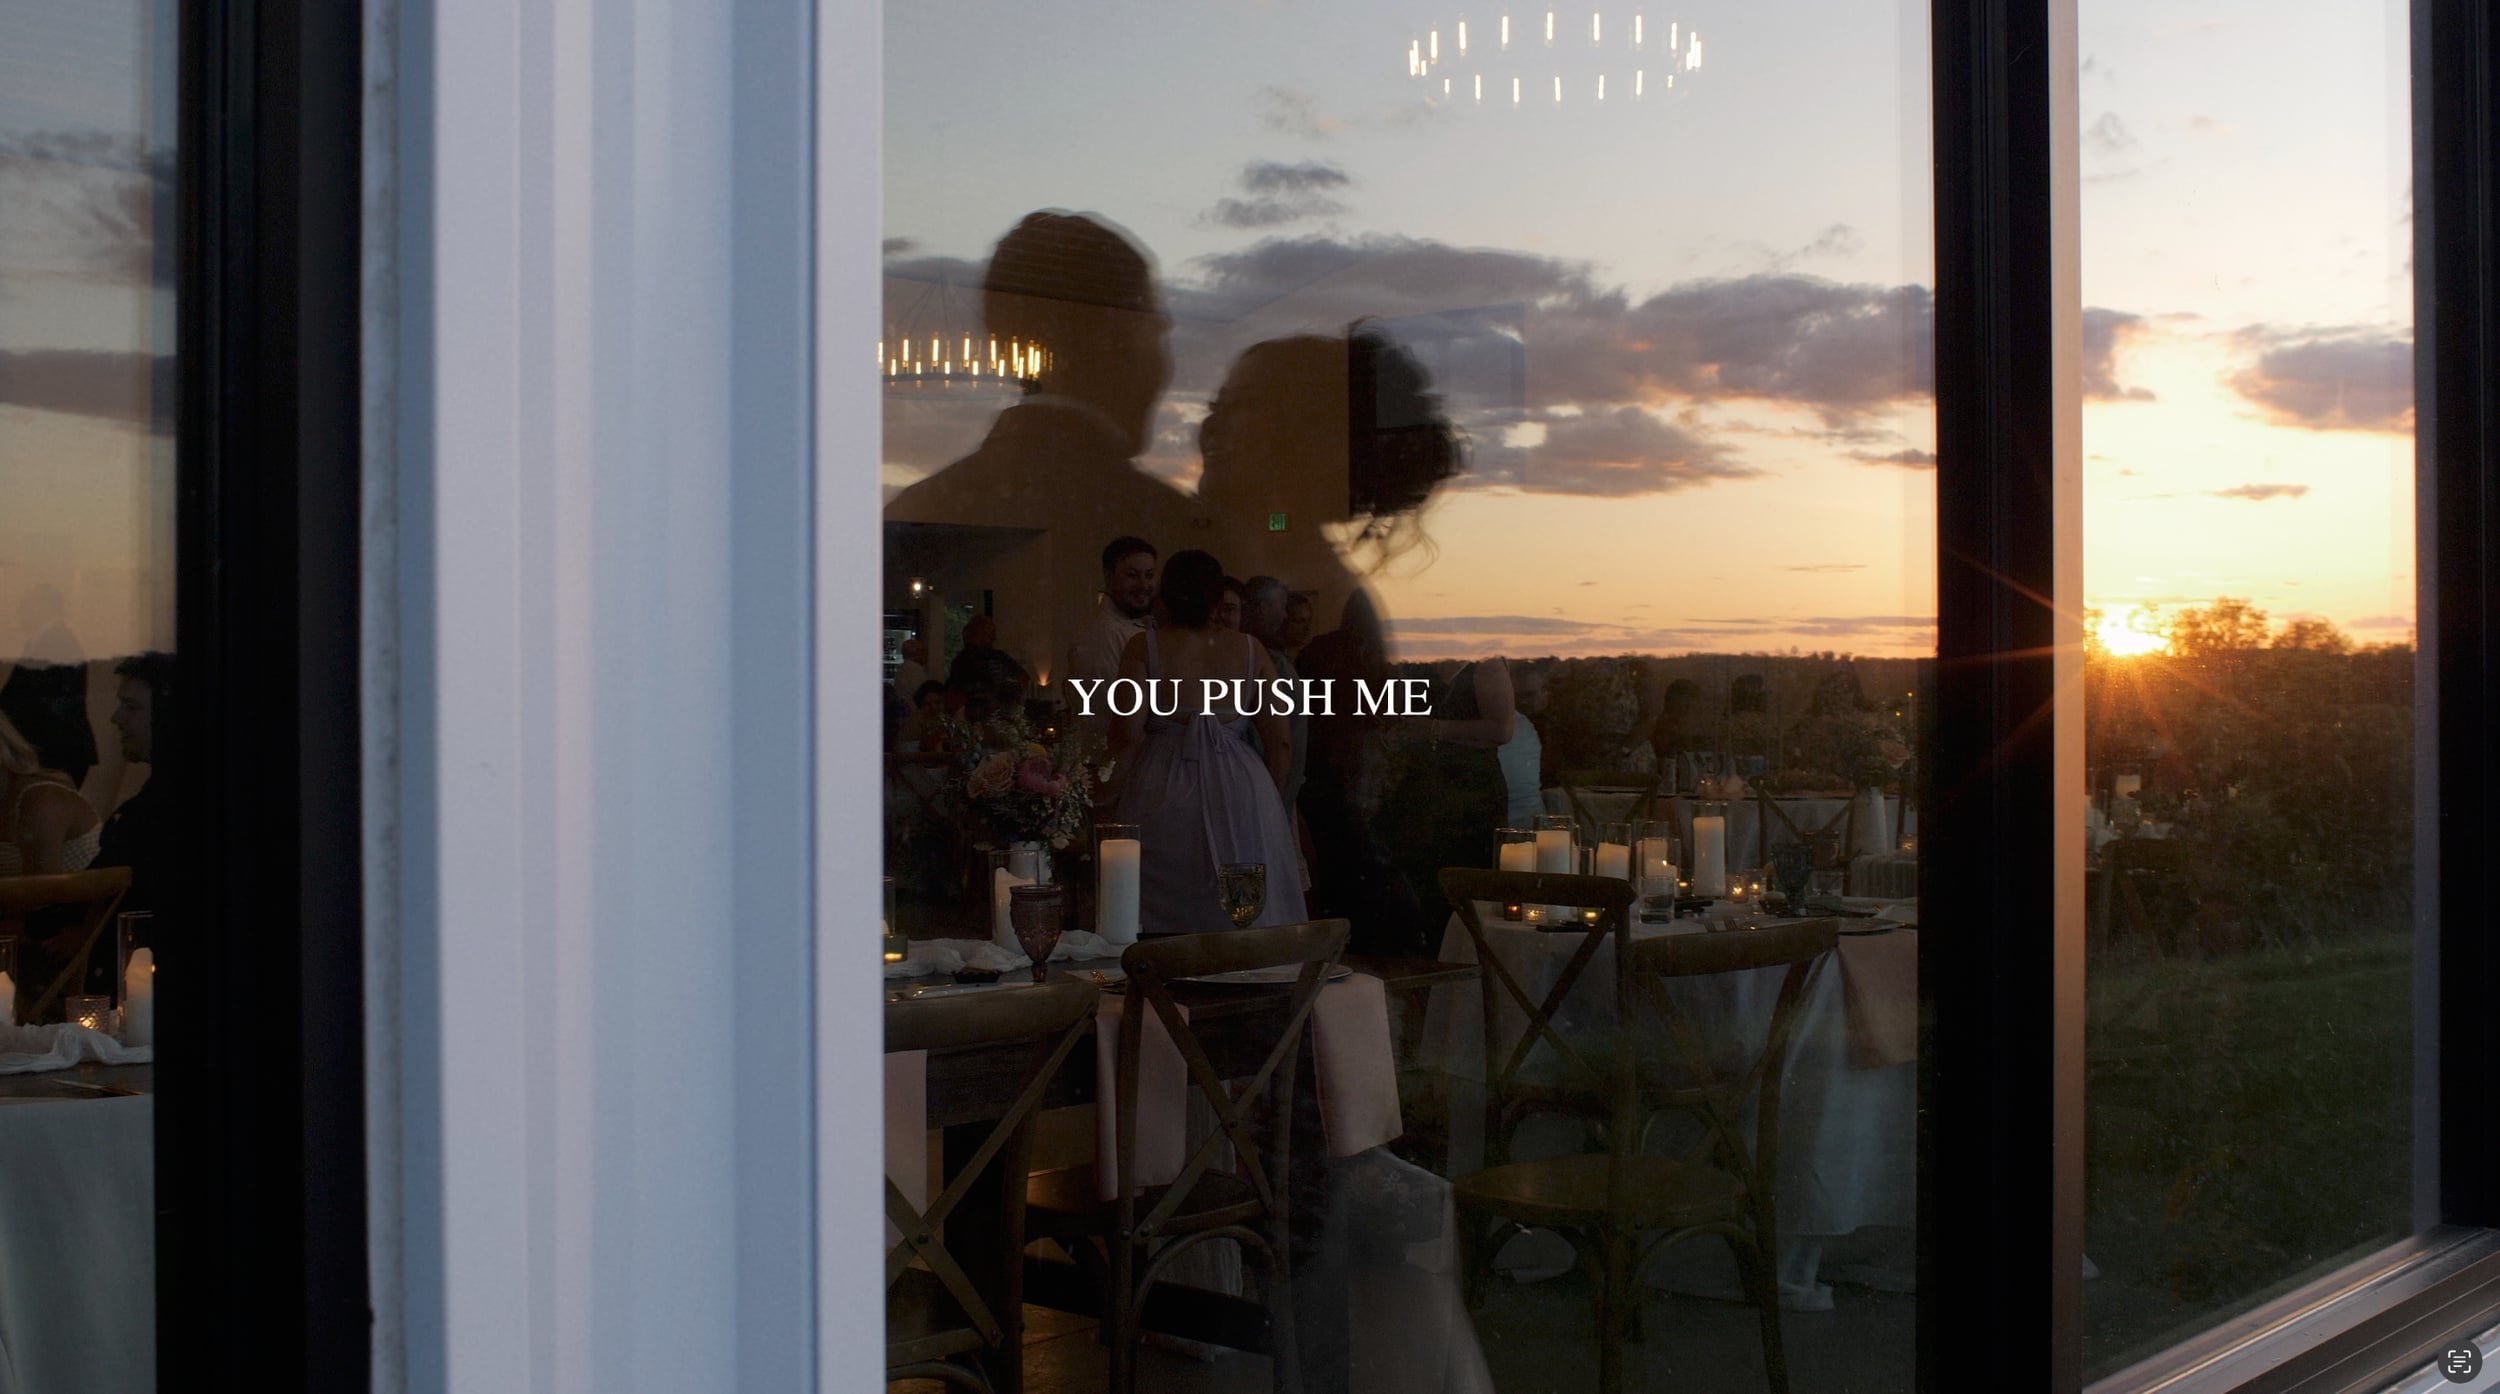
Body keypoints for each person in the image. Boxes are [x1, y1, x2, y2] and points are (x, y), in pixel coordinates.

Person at [883, 211, 1205, 681]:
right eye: (1157, 332)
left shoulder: (916, 501)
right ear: (1110, 335)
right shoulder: (1185, 518)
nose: (1167, 366)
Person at [1109, 550, 1306, 934]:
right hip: (1242, 785)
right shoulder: (1250, 649)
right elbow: (1279, 741)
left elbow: (1126, 735)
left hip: (1162, 783)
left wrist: (1105, 801)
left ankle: (1160, 982)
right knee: (1245, 908)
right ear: (1215, 598)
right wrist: (1270, 801)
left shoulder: (1143, 647)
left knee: (1158, 906)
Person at [1242, 576, 1308, 818]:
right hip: (1266, 797)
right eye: (1280, 606)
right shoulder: (1267, 664)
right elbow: (1275, 742)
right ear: (1262, 608)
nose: (1284, 616)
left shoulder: (1275, 662)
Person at [1064, 537, 1157, 688]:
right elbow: (1104, 707)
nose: (1143, 585)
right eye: (1132, 575)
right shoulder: (1100, 635)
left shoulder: (1142, 626)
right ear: (1109, 576)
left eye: (1149, 575)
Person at [944, 615, 1028, 719]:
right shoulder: (962, 661)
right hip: (975, 716)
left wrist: (1011, 688)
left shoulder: (999, 657)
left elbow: (1023, 677)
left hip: (1000, 716)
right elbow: (957, 693)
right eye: (990, 631)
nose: (994, 636)